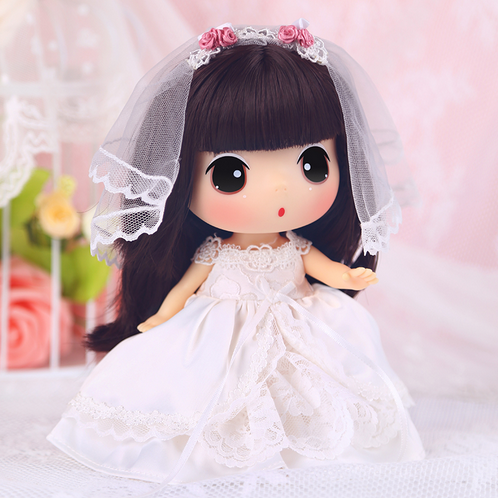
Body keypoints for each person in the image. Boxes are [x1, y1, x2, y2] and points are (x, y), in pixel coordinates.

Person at [48, 20, 425, 484]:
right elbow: (184, 290)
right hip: (220, 332)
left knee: (315, 388)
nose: (279, 189)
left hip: (300, 325)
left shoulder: (296, 246)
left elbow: (327, 269)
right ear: (178, 177)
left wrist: (348, 277)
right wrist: (161, 317)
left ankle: (308, 441)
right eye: (232, 175)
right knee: (215, 391)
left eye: (312, 164)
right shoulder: (213, 251)